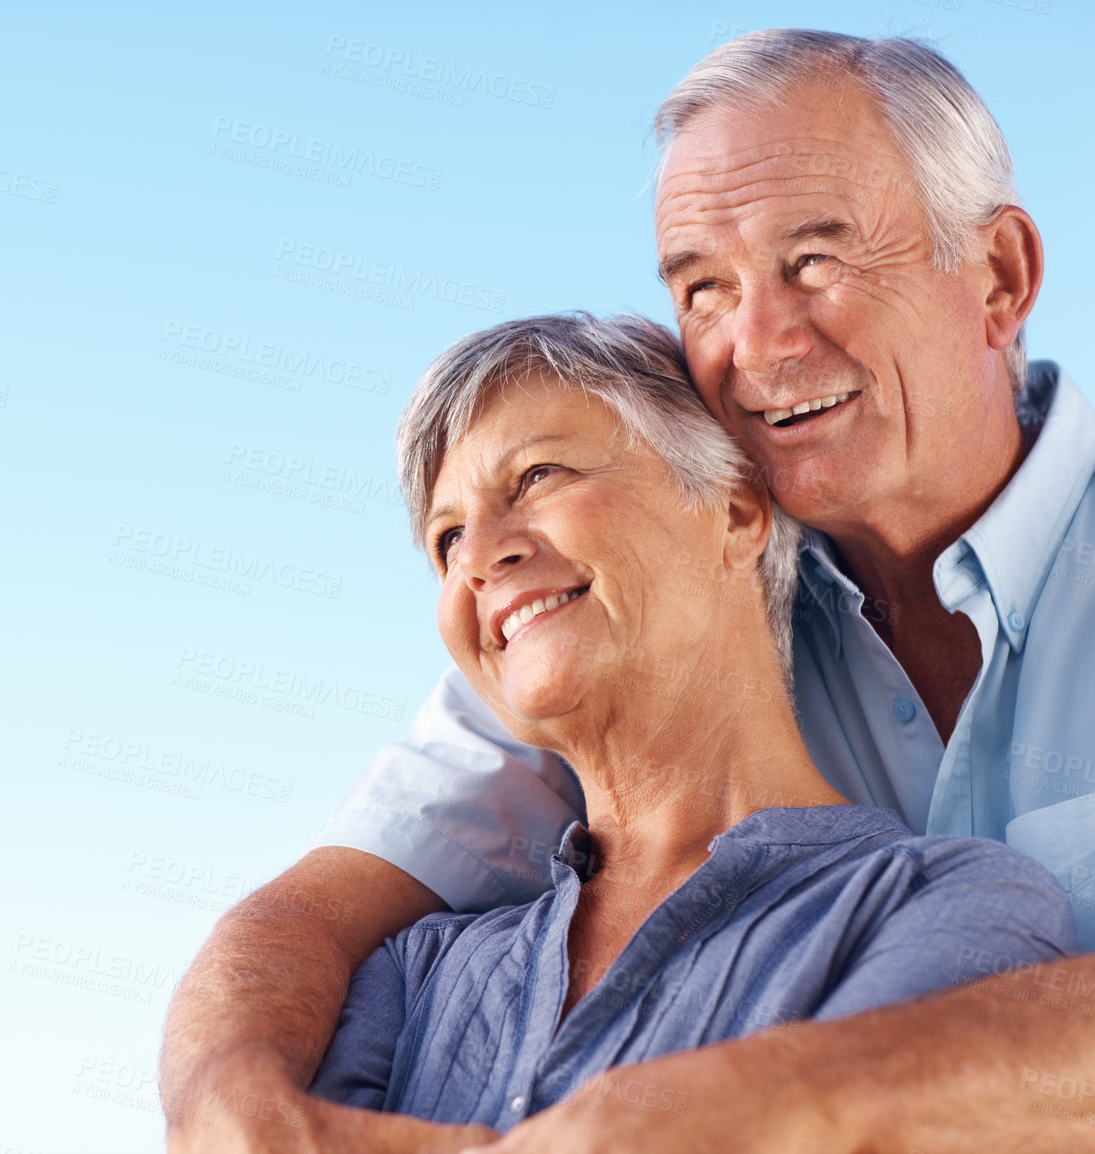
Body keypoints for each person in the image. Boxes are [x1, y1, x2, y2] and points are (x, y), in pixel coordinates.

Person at [162, 29, 1095, 1154]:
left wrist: (783, 1094)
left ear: (999, 276)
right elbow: (310, 914)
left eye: (813, 262)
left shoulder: (946, 895)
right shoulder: (652, 610)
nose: (754, 343)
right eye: (702, 290)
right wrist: (224, 1097)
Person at [298, 311, 1072, 1133]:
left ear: (736, 508)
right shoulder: (410, 975)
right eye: (447, 538)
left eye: (537, 477)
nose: (480, 554)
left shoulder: (943, 904)